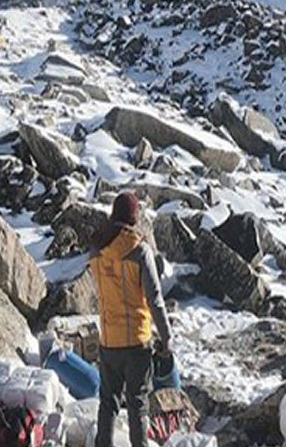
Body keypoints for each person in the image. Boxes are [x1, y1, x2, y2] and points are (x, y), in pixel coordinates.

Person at [90, 191, 172, 447]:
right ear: (134, 217)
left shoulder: (96, 252)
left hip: (109, 341)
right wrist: (166, 338)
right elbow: (155, 298)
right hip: (137, 342)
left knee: (108, 404)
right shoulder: (140, 250)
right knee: (138, 406)